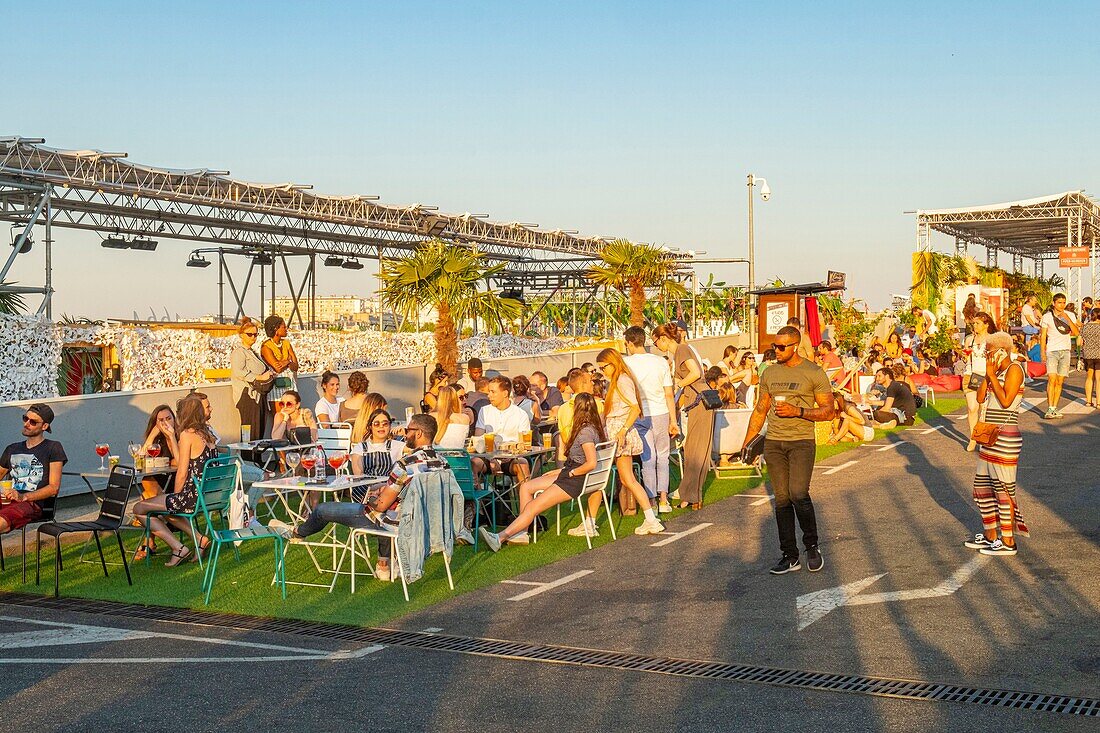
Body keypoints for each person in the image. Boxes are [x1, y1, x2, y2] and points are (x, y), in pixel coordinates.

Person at [273, 413, 446, 581]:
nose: (405, 433)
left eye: (408, 429)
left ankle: (297, 532)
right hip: (428, 521)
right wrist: (385, 491)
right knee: (387, 509)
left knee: (322, 509)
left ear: (419, 433)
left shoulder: (406, 464)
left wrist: (371, 498)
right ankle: (385, 564)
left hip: (398, 521)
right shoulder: (442, 463)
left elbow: (380, 506)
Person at [741, 326, 833, 575]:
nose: (777, 351)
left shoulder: (814, 373)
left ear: (795, 346)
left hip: (801, 441)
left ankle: (812, 546)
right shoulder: (770, 373)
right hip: (774, 443)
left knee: (798, 494)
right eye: (775, 346)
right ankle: (789, 555)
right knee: (781, 499)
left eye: (782, 347)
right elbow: (760, 410)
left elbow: (828, 411)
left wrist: (798, 411)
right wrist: (748, 444)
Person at [480, 394, 608, 551]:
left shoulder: (585, 433)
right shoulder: (595, 429)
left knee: (533, 506)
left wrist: (571, 473)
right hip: (570, 473)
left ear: (578, 409)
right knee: (526, 487)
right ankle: (521, 533)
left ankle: (500, 537)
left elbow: (591, 463)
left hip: (573, 480)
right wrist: (561, 470)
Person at [963, 331, 1029, 556]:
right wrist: (987, 374)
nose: (986, 355)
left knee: (1003, 488)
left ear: (1001, 351)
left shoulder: (1015, 369)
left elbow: (1007, 400)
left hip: (1006, 437)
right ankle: (991, 535)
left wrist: (991, 375)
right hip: (990, 436)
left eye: (989, 351)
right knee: (982, 487)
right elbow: (981, 398)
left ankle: (1008, 540)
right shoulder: (995, 371)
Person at [133, 396, 218, 567]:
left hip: (192, 496)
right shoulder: (207, 435)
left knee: (139, 508)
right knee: (166, 508)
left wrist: (176, 496)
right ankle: (199, 539)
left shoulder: (188, 434)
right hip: (209, 495)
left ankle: (178, 548)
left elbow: (181, 472)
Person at [596, 347, 665, 535]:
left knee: (626, 478)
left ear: (613, 363)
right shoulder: (617, 381)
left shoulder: (622, 381)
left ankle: (651, 517)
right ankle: (650, 517)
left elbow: (634, 408)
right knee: (626, 479)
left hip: (620, 432)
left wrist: (623, 429)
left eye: (603, 367)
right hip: (617, 431)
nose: (602, 371)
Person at [654, 322, 711, 510]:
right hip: (698, 400)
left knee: (695, 449)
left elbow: (695, 373)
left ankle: (690, 496)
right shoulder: (683, 350)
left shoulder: (681, 350)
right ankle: (693, 495)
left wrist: (679, 384)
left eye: (656, 343)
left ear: (663, 338)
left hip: (697, 400)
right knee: (697, 449)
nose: (657, 347)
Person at [623, 326, 679, 513]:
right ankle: (664, 499)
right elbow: (669, 394)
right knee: (663, 456)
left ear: (630, 343)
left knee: (648, 458)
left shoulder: (626, 363)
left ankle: (652, 502)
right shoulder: (659, 362)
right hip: (661, 411)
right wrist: (673, 420)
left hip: (640, 413)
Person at [0, 404, 66, 539]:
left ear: (44, 426)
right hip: (7, 499)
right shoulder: (12, 449)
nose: (26, 424)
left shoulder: (53, 447)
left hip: (32, 504)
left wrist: (23, 497)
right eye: (25, 419)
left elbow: (54, 488)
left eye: (33, 422)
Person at [131, 404, 180, 561]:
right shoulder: (157, 440)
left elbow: (179, 463)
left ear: (174, 419)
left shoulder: (180, 436)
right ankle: (150, 541)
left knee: (146, 497)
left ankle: (149, 542)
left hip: (177, 484)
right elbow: (140, 461)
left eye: (168, 418)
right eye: (160, 420)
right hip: (160, 484)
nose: (165, 423)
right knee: (148, 484)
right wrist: (152, 436)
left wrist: (171, 437)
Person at [474, 376, 533, 486]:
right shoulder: (484, 411)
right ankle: (477, 501)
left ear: (505, 393)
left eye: (493, 392)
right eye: (489, 392)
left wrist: (510, 454)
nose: (489, 395)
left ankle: (525, 502)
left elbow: (523, 445)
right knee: (473, 463)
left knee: (523, 465)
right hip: (487, 457)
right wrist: (491, 458)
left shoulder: (520, 414)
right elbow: (478, 439)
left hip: (511, 458)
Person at [230, 318, 274, 440]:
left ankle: (257, 457)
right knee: (249, 430)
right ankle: (248, 457)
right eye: (249, 334)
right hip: (247, 395)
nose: (253, 337)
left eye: (255, 335)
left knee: (258, 429)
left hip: (258, 396)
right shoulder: (239, 352)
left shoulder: (252, 352)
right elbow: (239, 372)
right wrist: (259, 377)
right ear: (241, 335)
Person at [1040, 293, 1080, 419]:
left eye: (1063, 302)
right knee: (1052, 379)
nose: (1062, 305)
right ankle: (1050, 408)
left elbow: (1076, 332)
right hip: (1052, 350)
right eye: (1059, 302)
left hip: (1066, 351)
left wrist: (1067, 318)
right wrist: (1043, 352)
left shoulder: (1070, 315)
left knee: (1060, 381)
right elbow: (1043, 336)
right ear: (1053, 303)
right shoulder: (1047, 317)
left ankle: (1054, 408)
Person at [962, 311, 996, 450]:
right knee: (972, 408)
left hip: (986, 376)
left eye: (977, 323)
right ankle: (972, 438)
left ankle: (982, 436)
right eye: (973, 323)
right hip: (970, 375)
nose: (974, 326)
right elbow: (965, 356)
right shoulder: (969, 339)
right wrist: (964, 355)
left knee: (984, 409)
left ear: (986, 324)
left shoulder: (993, 339)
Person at [260, 315, 299, 415]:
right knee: (279, 418)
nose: (286, 329)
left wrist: (286, 362)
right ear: (276, 329)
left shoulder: (286, 343)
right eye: (284, 327)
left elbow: (296, 366)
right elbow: (277, 368)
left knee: (293, 418)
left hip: (289, 384)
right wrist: (288, 361)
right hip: (275, 387)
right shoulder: (266, 346)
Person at [1081, 307, 1100, 408]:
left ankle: (1088, 401)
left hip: (1088, 354)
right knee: (1099, 379)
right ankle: (1099, 403)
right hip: (1099, 354)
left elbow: (1080, 342)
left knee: (1089, 377)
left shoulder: (1085, 327)